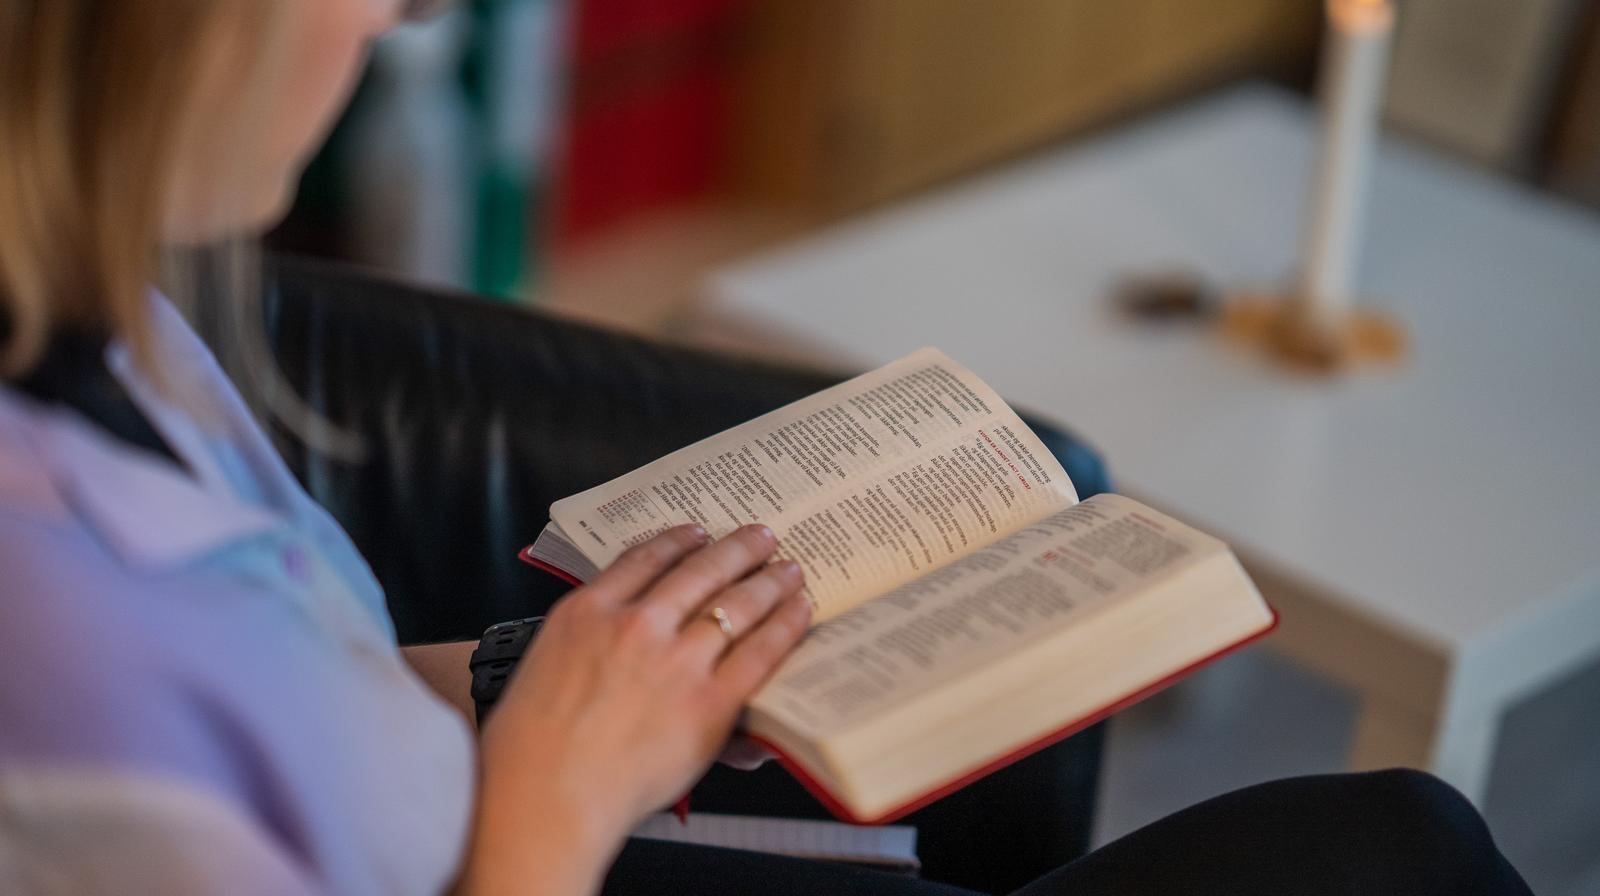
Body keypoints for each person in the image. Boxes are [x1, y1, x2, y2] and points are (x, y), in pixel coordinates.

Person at [0, 2, 1533, 895]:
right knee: (1400, 856)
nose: (400, 15)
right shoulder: (56, 645)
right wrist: (560, 788)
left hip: (520, 833)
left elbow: (288, 692)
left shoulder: (106, 308)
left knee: (1409, 839)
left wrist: (572, 674)